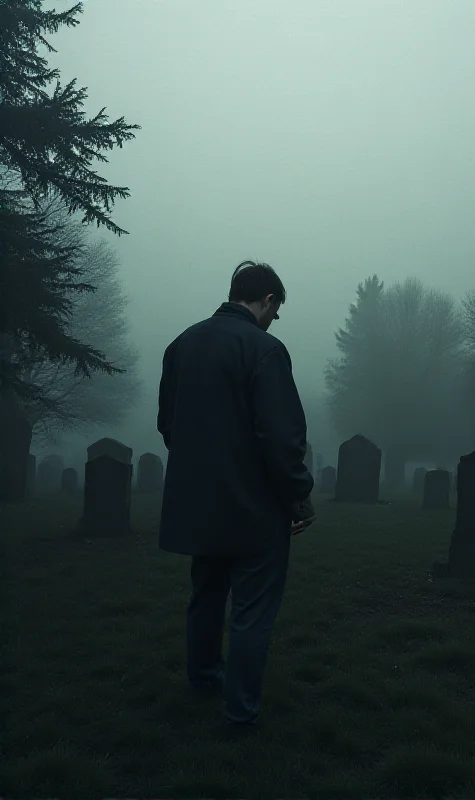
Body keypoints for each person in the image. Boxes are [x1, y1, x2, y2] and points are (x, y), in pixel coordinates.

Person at [157, 260, 316, 739]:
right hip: (253, 508)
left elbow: (168, 424)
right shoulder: (265, 349)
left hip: (199, 502)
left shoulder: (181, 344)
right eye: (276, 310)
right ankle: (240, 718)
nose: (275, 319)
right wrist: (298, 497)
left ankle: (205, 681)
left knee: (206, 596)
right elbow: (282, 437)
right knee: (252, 612)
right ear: (267, 300)